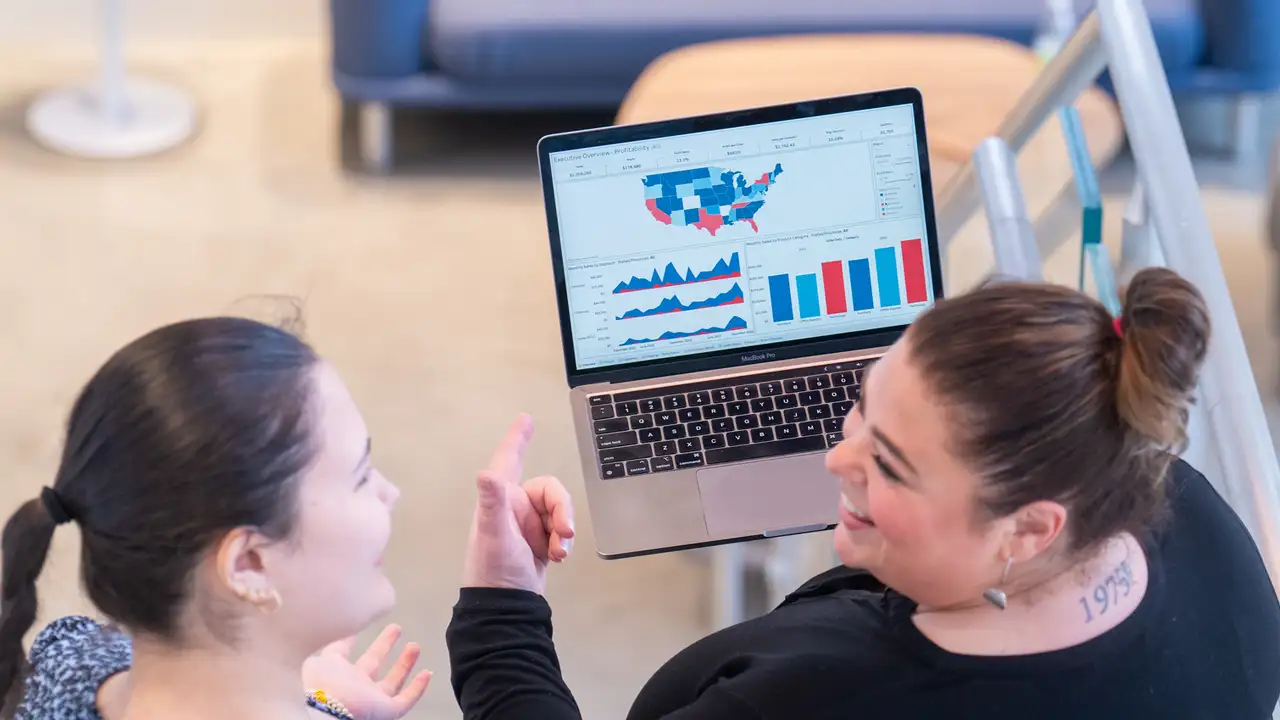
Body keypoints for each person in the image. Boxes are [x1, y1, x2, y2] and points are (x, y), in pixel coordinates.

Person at [448, 267, 1280, 719]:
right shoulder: (1168, 500)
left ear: (1026, 530)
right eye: (861, 403)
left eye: (889, 463)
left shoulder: (822, 695)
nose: (836, 458)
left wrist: (501, 614)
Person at [0, 317, 436, 719]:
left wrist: (304, 695)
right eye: (360, 476)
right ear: (249, 564)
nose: (389, 493)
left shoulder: (64, 666)